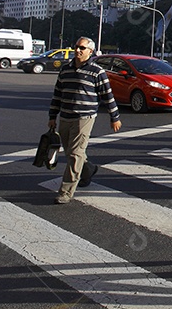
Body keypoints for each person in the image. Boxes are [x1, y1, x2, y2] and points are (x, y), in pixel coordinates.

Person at [48, 37, 121, 204]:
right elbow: (57, 94)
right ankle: (88, 169)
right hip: (65, 116)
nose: (78, 50)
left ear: (90, 51)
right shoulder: (65, 70)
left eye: (82, 48)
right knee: (71, 152)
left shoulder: (97, 72)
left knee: (75, 154)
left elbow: (107, 96)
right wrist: (52, 116)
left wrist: (114, 117)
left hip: (84, 118)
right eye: (76, 47)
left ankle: (66, 191)